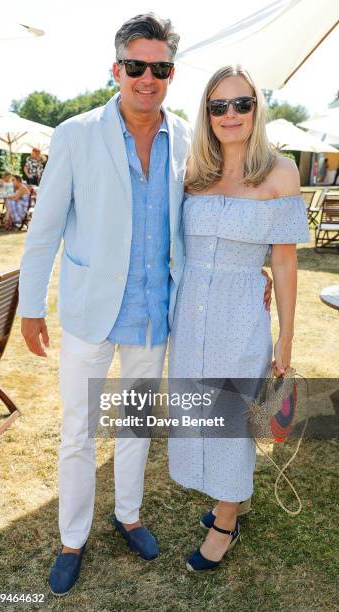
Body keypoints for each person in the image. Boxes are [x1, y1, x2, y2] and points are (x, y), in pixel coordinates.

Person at [17, 14, 272, 596]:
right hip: (90, 311)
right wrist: (31, 307)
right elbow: (45, 228)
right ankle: (71, 538)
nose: (146, 77)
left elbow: (205, 214)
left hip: (157, 312)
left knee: (133, 424)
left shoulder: (188, 135)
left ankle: (127, 515)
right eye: (136, 66)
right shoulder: (76, 134)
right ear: (117, 69)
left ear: (171, 73)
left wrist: (247, 262)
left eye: (159, 67)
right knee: (79, 430)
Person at [168, 65, 309, 573]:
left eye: (241, 103)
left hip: (241, 310)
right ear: (206, 114)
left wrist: (286, 338)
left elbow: (285, 260)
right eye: (218, 106)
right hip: (190, 313)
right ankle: (232, 493)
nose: (231, 115)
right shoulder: (191, 171)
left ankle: (226, 518)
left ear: (257, 107)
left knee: (231, 416)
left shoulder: (281, 171)